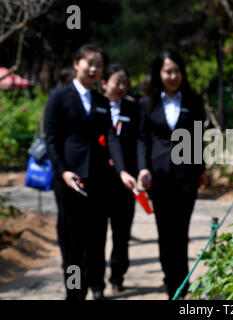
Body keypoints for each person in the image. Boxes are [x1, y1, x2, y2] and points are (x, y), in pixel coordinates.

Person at [44, 43, 133, 300]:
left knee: (96, 239)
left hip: (99, 180)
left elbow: (111, 138)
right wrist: (62, 172)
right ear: (76, 63)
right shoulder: (58, 97)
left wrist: (122, 171)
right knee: (72, 242)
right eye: (89, 63)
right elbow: (51, 140)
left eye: (99, 65)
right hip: (69, 181)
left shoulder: (101, 101)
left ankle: (96, 285)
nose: (94, 69)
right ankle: (75, 293)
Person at [137, 50, 206, 299]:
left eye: (176, 71)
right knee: (164, 232)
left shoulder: (193, 100)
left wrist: (201, 170)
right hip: (158, 176)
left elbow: (199, 137)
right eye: (167, 71)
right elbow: (142, 139)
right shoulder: (147, 103)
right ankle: (170, 283)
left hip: (186, 176)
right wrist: (143, 168)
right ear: (159, 73)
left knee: (181, 232)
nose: (172, 76)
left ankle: (182, 285)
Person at [100, 63, 140, 293]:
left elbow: (139, 141)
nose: (122, 87)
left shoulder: (133, 108)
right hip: (99, 179)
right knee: (96, 233)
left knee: (121, 232)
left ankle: (117, 276)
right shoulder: (95, 105)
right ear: (105, 83)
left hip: (126, 181)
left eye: (125, 82)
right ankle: (95, 280)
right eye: (117, 82)